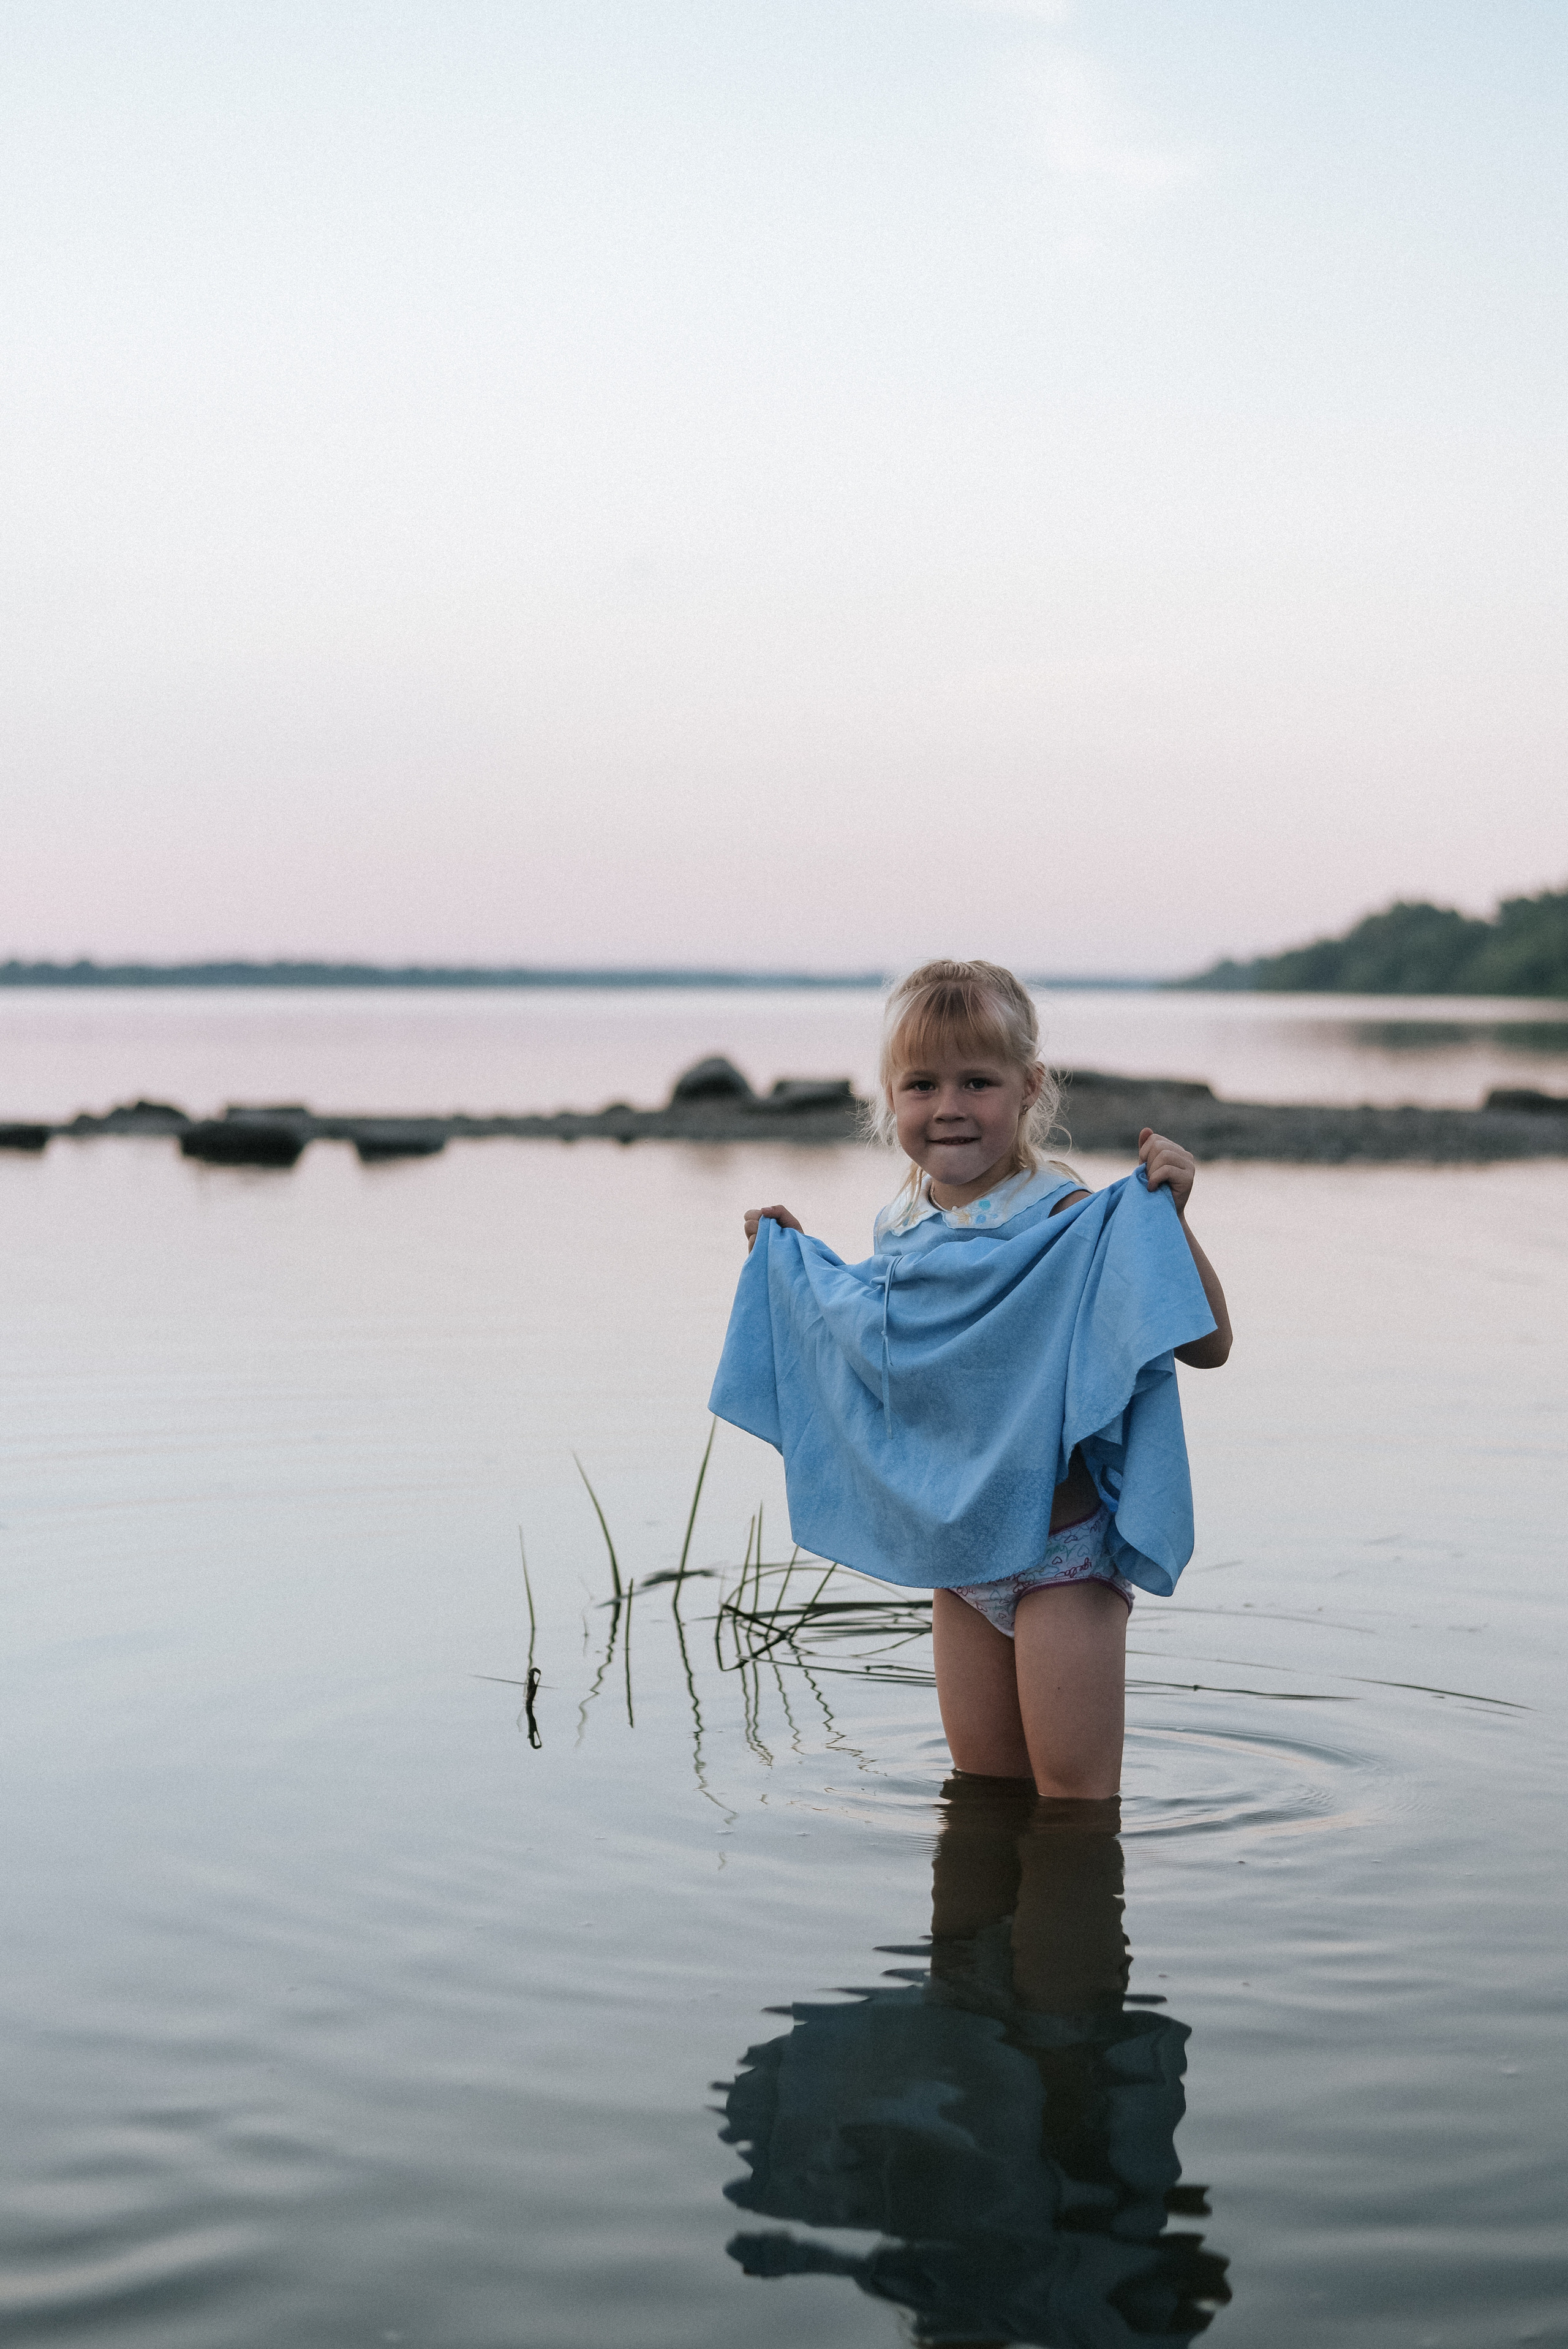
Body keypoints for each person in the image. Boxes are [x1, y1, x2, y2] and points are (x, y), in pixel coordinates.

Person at [715, 959, 1232, 1801]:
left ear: (1029, 1087)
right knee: (983, 1793)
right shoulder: (901, 1226)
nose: (949, 1105)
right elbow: (898, 1361)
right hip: (962, 1558)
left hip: (1064, 1557)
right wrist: (798, 1274)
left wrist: (1169, 1222)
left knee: (1073, 1805)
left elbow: (1208, 1345)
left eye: (978, 1081)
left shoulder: (1068, 1217)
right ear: (890, 1097)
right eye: (922, 1083)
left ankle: (1068, 1931)